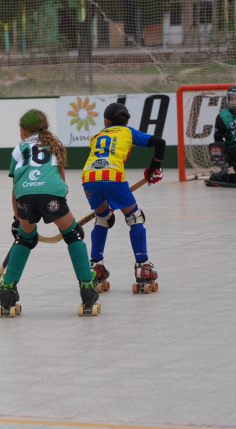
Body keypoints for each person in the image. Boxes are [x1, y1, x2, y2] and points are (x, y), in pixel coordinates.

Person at [0, 109, 100, 317]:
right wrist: (63, 216)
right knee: (74, 235)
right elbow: (61, 182)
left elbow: (15, 186)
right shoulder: (56, 146)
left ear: (24, 130)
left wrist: (17, 219)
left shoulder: (19, 148)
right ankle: (87, 289)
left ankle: (7, 291)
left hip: (24, 194)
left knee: (25, 238)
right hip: (51, 194)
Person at [81, 102, 164, 295]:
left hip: (89, 178)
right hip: (113, 177)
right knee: (135, 217)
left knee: (102, 219)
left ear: (106, 121)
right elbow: (159, 143)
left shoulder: (96, 136)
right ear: (126, 121)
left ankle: (96, 266)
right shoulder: (128, 132)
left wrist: (107, 204)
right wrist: (154, 167)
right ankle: (143, 266)